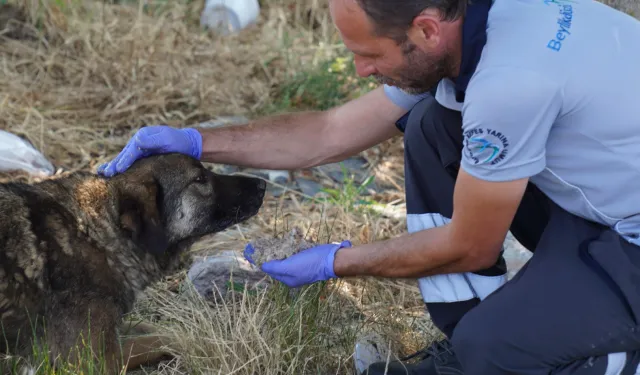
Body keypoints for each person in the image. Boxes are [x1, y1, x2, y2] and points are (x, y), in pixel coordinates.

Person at [98, 0, 640, 373]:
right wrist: (197, 141)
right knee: (433, 125)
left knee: (495, 350)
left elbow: (470, 244)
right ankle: (472, 336)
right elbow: (331, 132)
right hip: (609, 195)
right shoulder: (478, 19)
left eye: (370, 54)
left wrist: (335, 261)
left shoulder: (510, 83)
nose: (359, 69)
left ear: (426, 29)